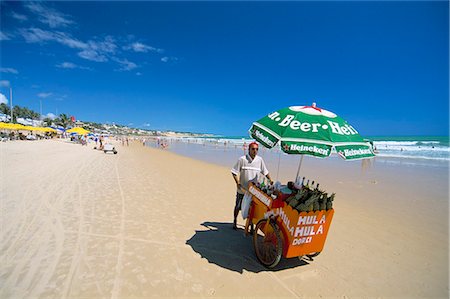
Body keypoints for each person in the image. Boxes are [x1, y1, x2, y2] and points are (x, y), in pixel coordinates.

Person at [231, 141, 272, 230]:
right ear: (249, 149)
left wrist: (271, 180)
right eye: (253, 149)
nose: (255, 151)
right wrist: (237, 183)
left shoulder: (260, 160)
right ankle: (235, 220)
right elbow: (234, 172)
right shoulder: (242, 159)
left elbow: (265, 172)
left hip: (254, 191)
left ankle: (251, 226)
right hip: (242, 189)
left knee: (252, 209)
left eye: (257, 149)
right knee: (238, 206)